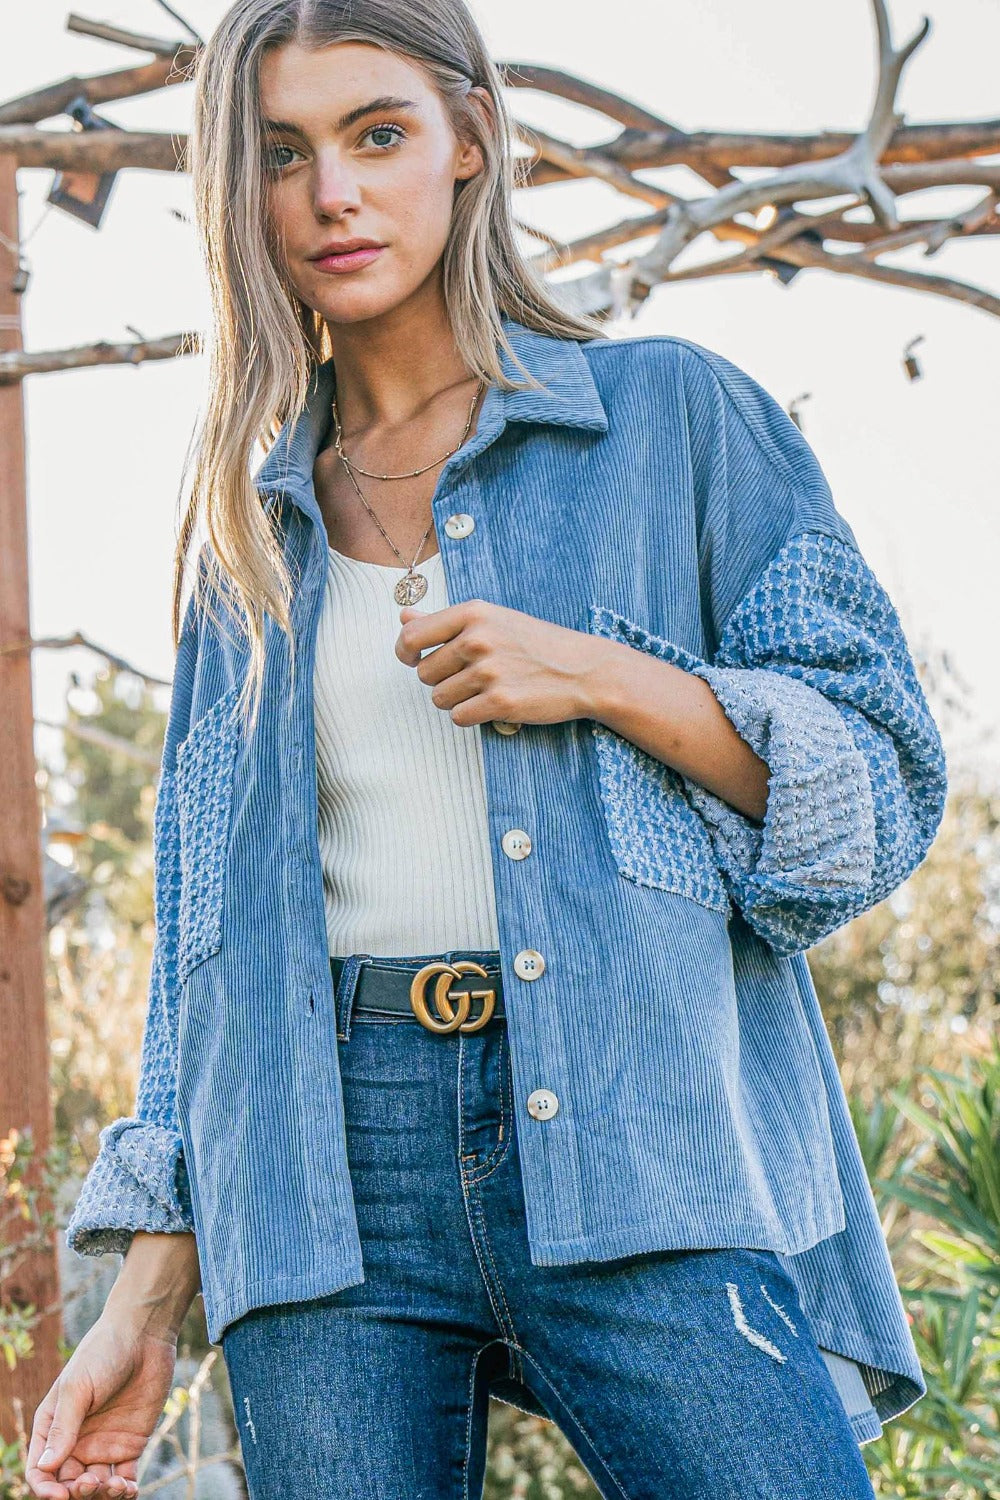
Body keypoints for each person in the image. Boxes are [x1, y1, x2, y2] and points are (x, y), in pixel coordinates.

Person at [28, 2, 949, 1497]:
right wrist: (144, 1296)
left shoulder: (673, 420)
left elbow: (883, 780)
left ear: (471, 139)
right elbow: (203, 946)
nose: (332, 193)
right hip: (323, 1188)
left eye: (376, 134)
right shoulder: (237, 542)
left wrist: (606, 678)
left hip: (648, 1138)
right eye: (279, 154)